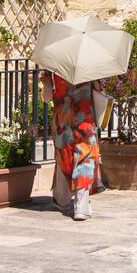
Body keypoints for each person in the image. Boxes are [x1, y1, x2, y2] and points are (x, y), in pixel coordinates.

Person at [41, 71, 102, 221]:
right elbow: (99, 90)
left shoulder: (54, 65)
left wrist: (50, 84)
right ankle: (81, 206)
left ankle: (62, 199)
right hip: (84, 120)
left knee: (65, 159)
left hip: (63, 120)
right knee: (85, 159)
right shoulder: (89, 65)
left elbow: (46, 98)